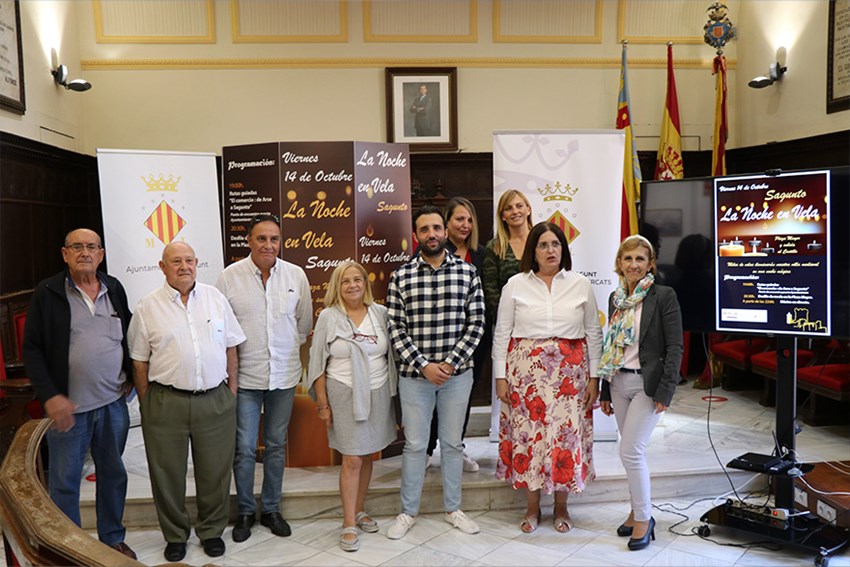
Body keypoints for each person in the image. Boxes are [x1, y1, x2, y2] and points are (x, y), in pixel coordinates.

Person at [22, 229, 137, 560]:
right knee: (65, 481)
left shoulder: (114, 287)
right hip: (68, 408)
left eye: (91, 247)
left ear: (101, 254)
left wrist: (130, 373)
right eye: (77, 247)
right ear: (65, 254)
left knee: (113, 475)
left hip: (113, 403)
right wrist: (50, 395)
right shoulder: (48, 292)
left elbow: (129, 333)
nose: (85, 252)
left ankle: (112, 539)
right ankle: (70, 548)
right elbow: (32, 349)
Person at [128, 241, 246, 562]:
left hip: (215, 400)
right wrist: (148, 401)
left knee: (215, 471)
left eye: (189, 260)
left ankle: (211, 531)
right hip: (166, 402)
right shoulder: (147, 307)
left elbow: (231, 347)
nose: (184, 266)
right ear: (162, 266)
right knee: (167, 474)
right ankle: (175, 535)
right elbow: (139, 360)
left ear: (197, 263)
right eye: (176, 261)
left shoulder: (215, 298)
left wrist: (231, 390)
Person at [493, 222, 602, 534]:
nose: (550, 250)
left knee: (564, 438)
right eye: (543, 245)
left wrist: (595, 377)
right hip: (526, 375)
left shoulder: (581, 284)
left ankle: (561, 507)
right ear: (533, 251)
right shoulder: (515, 285)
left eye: (556, 244)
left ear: (563, 249)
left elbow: (594, 333)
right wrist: (500, 376)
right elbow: (502, 333)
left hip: (570, 375)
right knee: (530, 438)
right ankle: (532, 508)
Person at [385, 205, 485, 540]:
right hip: (415, 378)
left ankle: (453, 509)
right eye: (425, 229)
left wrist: (451, 363)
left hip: (457, 376)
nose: (432, 234)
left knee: (452, 444)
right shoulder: (401, 276)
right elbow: (395, 328)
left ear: (445, 231)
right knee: (415, 446)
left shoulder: (467, 273)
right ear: (416, 235)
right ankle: (407, 512)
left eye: (437, 228)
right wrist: (424, 365)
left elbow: (477, 324)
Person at [216, 213, 312, 543]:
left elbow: (303, 325)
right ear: (249, 241)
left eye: (274, 239)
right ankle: (245, 511)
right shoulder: (229, 278)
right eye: (261, 238)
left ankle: (271, 509)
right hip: (244, 378)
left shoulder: (296, 275)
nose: (268, 245)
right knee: (243, 448)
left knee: (275, 445)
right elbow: (221, 330)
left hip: (283, 377)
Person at [598, 234, 683, 551]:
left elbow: (675, 346)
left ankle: (644, 520)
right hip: (618, 381)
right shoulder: (616, 297)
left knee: (631, 451)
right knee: (631, 451)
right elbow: (611, 345)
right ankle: (637, 511)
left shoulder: (664, 296)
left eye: (640, 259)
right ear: (619, 263)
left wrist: (666, 390)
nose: (633, 264)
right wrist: (605, 390)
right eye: (628, 258)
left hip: (647, 385)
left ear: (650, 264)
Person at [307, 261, 397, 552]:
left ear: (365, 283)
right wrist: (323, 403)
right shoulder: (328, 317)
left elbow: (390, 355)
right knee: (352, 459)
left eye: (357, 279)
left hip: (378, 391)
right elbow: (318, 363)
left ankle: (359, 510)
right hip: (343, 393)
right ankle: (348, 523)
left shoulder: (380, 313)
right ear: (337, 286)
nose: (352, 285)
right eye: (345, 281)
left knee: (368, 453)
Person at [426, 197, 487, 472]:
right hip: (438, 340)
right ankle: (427, 450)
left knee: (463, 398)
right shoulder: (433, 251)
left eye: (469, 220)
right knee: (433, 397)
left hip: (473, 342)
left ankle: (456, 448)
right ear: (446, 223)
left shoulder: (481, 255)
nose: (465, 225)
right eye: (459, 219)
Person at [482, 189, 533, 325]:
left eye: (519, 206)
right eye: (508, 208)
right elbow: (491, 291)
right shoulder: (495, 247)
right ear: (503, 216)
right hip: (509, 323)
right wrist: (504, 321)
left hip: (541, 319)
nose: (515, 211)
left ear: (528, 210)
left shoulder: (541, 241)